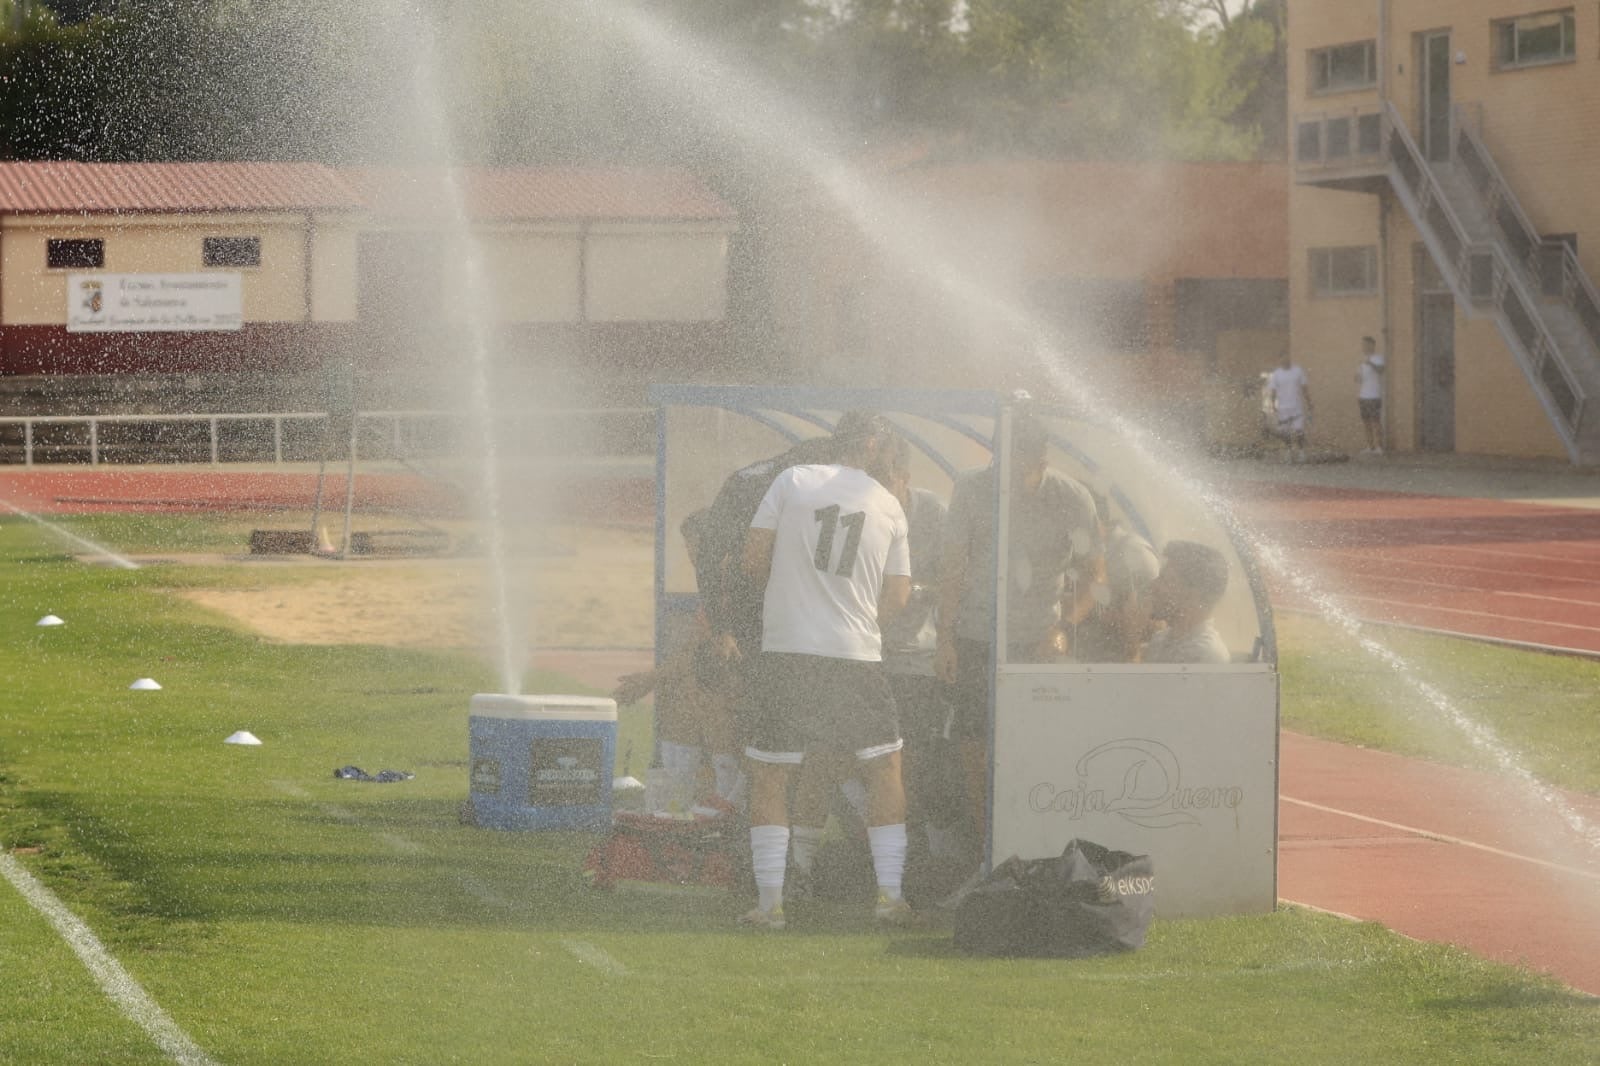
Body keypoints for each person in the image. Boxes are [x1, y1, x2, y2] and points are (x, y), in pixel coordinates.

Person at [738, 412, 913, 930]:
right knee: (884, 769)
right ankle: (890, 897)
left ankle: (770, 904)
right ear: (877, 444)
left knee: (771, 772)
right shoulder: (889, 504)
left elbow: (752, 560)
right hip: (855, 656)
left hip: (788, 651)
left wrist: (795, 596)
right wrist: (857, 621)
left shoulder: (792, 480)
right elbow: (899, 594)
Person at [934, 411, 1103, 862]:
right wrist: (945, 638)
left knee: (1036, 742)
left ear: (1041, 459)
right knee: (974, 742)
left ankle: (1040, 842)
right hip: (976, 634)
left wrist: (1063, 628)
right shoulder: (971, 487)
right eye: (1002, 465)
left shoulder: (1071, 498)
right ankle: (984, 844)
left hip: (1038, 640)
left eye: (1020, 468)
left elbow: (1094, 578)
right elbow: (953, 568)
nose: (1009, 478)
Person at [611, 510, 743, 808]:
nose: (692, 554)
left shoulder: (736, 584)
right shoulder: (713, 586)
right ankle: (677, 805)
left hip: (753, 684)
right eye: (688, 547)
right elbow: (693, 649)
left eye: (695, 545)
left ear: (717, 544)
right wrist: (653, 679)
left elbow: (711, 651)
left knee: (706, 693)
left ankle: (726, 803)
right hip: (728, 677)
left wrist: (649, 680)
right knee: (681, 690)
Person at [1073, 490, 1161, 664]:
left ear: (1095, 523)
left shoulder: (1135, 554)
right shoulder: (1076, 551)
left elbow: (1158, 624)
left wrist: (1113, 619)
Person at [1139, 540, 1231, 665]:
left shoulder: (1206, 657)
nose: (1154, 585)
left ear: (1194, 595)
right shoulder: (1159, 641)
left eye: (1166, 580)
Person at [1267, 352, 1313, 464]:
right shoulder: (1276, 374)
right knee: (1285, 432)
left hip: (1297, 407)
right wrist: (1272, 405)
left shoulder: (1298, 371)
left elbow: (1304, 388)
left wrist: (1309, 402)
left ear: (1289, 358)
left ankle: (1301, 453)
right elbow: (1272, 391)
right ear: (1279, 359)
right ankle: (1288, 453)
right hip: (1283, 408)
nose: (1285, 360)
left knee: (1299, 431)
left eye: (1287, 358)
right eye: (1283, 358)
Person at [1355, 335, 1386, 455]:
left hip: (1374, 395)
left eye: (1366, 344)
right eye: (1363, 344)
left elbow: (1381, 370)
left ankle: (1379, 447)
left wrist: (1370, 363)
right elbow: (1358, 378)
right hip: (1363, 395)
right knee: (1366, 421)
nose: (1364, 347)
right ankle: (1370, 446)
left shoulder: (1378, 358)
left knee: (1376, 421)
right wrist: (1357, 376)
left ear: (1372, 345)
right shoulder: (1362, 361)